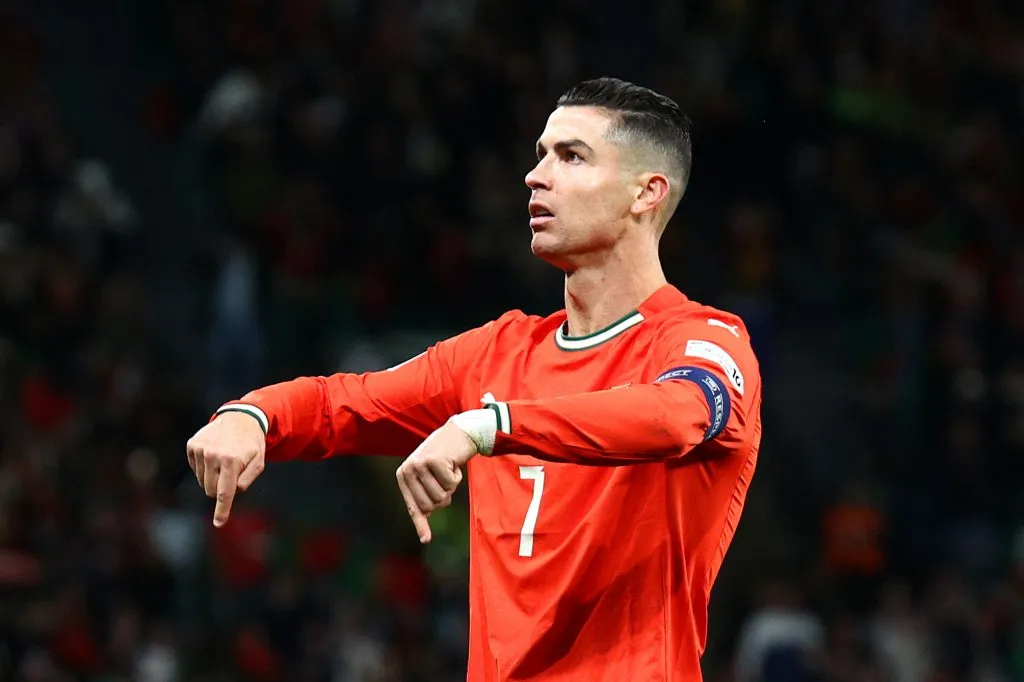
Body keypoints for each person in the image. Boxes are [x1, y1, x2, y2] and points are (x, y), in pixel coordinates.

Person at [186, 77, 763, 682]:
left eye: (571, 156)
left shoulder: (703, 339)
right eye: (540, 155)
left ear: (646, 193)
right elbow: (344, 403)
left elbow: (675, 414)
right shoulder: (495, 353)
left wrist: (489, 424)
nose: (536, 177)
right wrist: (254, 415)